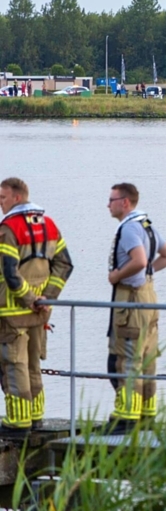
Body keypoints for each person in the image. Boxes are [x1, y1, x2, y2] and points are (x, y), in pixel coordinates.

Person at [0, 177, 73, 434]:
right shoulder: (49, 225)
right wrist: (46, 297)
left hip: (11, 312)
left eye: (3, 198)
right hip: (41, 312)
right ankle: (36, 417)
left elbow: (10, 272)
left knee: (13, 365)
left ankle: (17, 422)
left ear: (16, 197)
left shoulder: (8, 229)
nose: (1, 203)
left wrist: (27, 298)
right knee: (33, 364)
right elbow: (65, 264)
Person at [106, 183, 166, 433]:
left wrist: (117, 275)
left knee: (125, 359)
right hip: (148, 298)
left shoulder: (129, 229)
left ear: (125, 202)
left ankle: (126, 419)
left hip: (131, 299)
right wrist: (148, 272)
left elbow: (138, 260)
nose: (108, 204)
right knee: (146, 358)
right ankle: (146, 416)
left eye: (112, 199)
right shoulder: (147, 226)